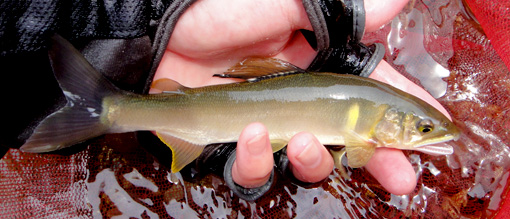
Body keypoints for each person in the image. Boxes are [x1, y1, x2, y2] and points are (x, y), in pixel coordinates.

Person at [0, 0, 449, 201]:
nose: (424, 135)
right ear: (385, 120)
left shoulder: (371, 110)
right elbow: (356, 154)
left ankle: (109, 108)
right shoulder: (364, 138)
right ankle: (109, 110)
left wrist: (150, 31)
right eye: (421, 129)